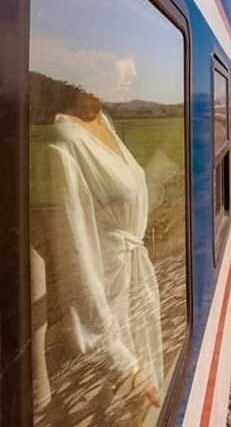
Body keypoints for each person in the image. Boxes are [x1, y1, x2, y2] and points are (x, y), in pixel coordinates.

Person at [30, 73, 162, 426]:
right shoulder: (65, 140)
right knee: (122, 410)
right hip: (108, 301)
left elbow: (122, 200)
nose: (132, 74)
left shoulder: (104, 121)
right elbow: (77, 260)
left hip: (135, 288)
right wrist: (122, 364)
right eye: (117, 67)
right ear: (83, 70)